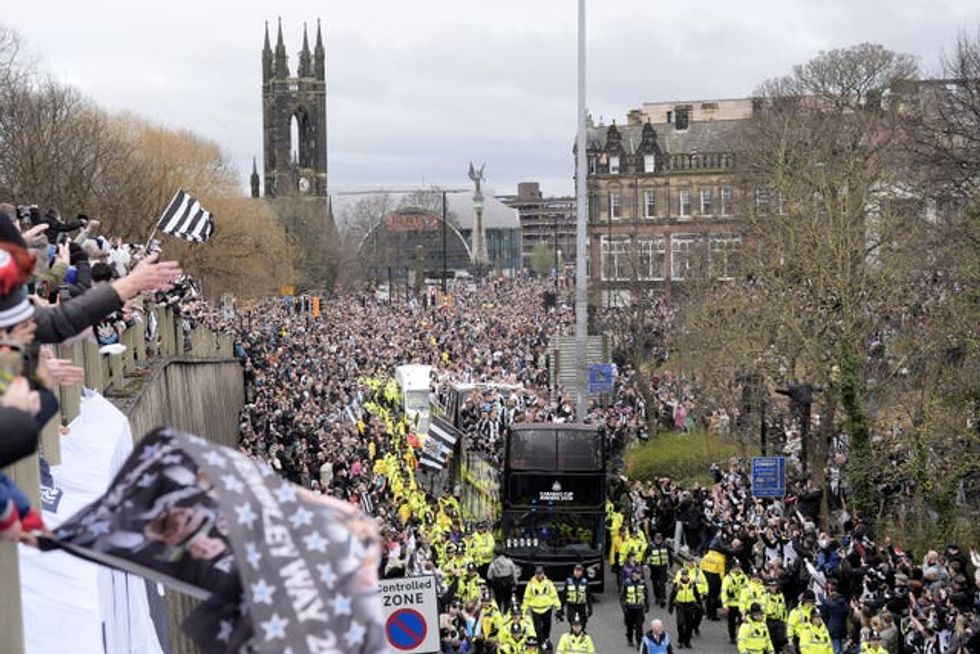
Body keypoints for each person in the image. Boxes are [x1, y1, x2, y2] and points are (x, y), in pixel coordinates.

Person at [522, 566, 560, 650]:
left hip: (547, 608)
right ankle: (540, 643)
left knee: (547, 626)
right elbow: (526, 598)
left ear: (543, 573)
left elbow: (554, 596)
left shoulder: (548, 583)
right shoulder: (531, 584)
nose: (539, 575)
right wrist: (523, 610)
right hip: (535, 609)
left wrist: (558, 608)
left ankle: (546, 639)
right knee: (538, 628)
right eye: (537, 574)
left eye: (540, 574)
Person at [668, 567, 702, 649]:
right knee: (680, 624)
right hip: (680, 605)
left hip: (690, 605)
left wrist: (700, 605)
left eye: (686, 575)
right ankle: (680, 640)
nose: (685, 577)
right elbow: (672, 595)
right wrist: (670, 607)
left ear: (688, 575)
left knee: (689, 625)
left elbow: (697, 595)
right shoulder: (678, 584)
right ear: (681, 576)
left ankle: (687, 641)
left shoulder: (692, 584)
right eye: (683, 575)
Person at [622, 565, 650, 648]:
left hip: (639, 608)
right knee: (629, 626)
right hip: (629, 608)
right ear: (633, 574)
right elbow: (622, 597)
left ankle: (639, 642)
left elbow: (646, 595)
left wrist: (647, 605)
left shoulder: (642, 583)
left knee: (639, 626)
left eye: (640, 573)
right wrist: (624, 608)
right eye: (637, 573)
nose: (639, 575)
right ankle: (630, 639)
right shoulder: (627, 583)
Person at [557, 563, 592, 629]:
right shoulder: (568, 581)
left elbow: (588, 596)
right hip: (571, 606)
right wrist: (560, 608)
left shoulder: (585, 582)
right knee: (573, 623)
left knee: (583, 623)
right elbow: (564, 595)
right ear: (573, 571)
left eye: (579, 571)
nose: (577, 573)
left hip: (581, 606)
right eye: (576, 570)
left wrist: (590, 609)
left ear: (582, 572)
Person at [722, 560, 748, 644]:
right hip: (731, 604)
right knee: (731, 622)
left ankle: (741, 637)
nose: (737, 569)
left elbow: (748, 590)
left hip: (741, 604)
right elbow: (724, 591)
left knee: (742, 622)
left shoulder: (744, 578)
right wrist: (725, 604)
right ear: (732, 568)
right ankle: (732, 636)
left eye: (739, 567)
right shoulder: (728, 578)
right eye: (736, 567)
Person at [646, 531, 671, 608]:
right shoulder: (651, 546)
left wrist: (670, 564)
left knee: (662, 583)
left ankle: (662, 599)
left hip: (663, 567)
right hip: (654, 567)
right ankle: (657, 597)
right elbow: (646, 556)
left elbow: (669, 555)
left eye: (660, 539)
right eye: (657, 539)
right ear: (654, 539)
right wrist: (646, 565)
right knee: (655, 583)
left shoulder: (665, 546)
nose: (658, 540)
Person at [764, 578, 788, 653]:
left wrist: (785, 621)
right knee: (771, 639)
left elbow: (784, 609)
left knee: (780, 639)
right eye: (771, 586)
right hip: (769, 620)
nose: (773, 588)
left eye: (775, 586)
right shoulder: (766, 596)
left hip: (779, 620)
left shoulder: (781, 596)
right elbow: (763, 608)